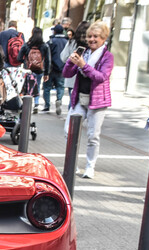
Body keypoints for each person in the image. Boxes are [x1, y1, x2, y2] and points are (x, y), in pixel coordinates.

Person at [62, 21, 114, 180]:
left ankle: (90, 166)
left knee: (93, 136)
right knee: (68, 131)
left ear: (103, 38)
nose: (92, 39)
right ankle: (73, 165)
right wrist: (72, 61)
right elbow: (66, 74)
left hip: (97, 101)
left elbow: (101, 77)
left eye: (96, 37)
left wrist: (83, 66)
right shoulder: (83, 52)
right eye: (90, 36)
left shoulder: (107, 57)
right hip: (80, 98)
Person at [17, 27, 51, 113]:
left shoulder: (27, 45)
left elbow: (19, 57)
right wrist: (46, 73)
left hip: (28, 70)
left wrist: (26, 62)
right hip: (39, 70)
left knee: (27, 87)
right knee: (37, 86)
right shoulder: (44, 46)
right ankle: (36, 103)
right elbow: (48, 60)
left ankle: (26, 104)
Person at [60, 21, 90, 98]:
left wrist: (72, 60)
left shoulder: (72, 42)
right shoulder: (91, 44)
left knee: (73, 101)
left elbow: (63, 57)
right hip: (87, 77)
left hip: (72, 78)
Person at [44, 24, 68, 114]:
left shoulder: (51, 41)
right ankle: (59, 100)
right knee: (60, 86)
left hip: (51, 68)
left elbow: (46, 55)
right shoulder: (66, 42)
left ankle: (47, 105)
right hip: (62, 68)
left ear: (55, 31)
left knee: (47, 87)